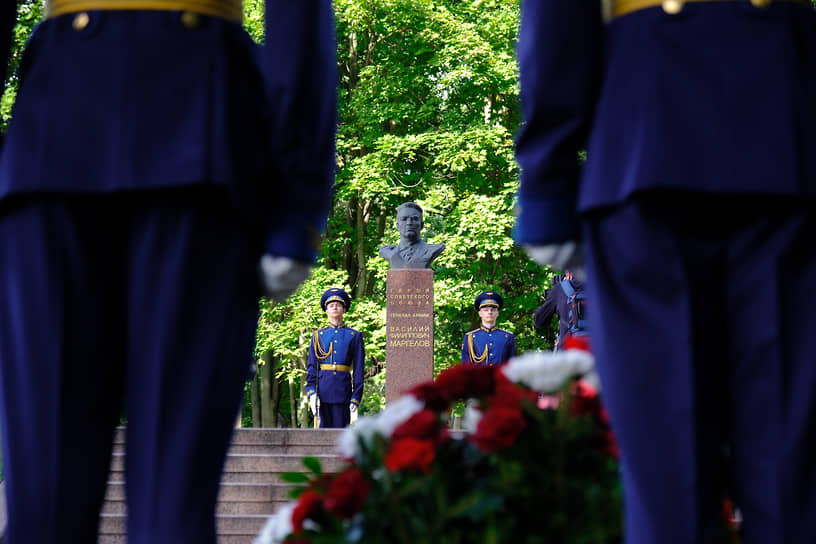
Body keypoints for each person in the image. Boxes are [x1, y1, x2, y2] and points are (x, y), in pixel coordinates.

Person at [0, 2, 337, 543]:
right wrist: (296, 200)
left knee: (61, 508)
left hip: (60, 136)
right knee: (148, 508)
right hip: (200, 133)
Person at [513, 2, 816, 543]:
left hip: (647, 141)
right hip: (785, 130)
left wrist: (548, 183)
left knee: (670, 478)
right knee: (789, 474)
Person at [306, 288, 365, 429]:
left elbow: (358, 369)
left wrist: (356, 396)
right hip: (322, 392)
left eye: (338, 305)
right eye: (330, 305)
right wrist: (312, 393)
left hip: (343, 392)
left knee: (341, 435)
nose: (334, 307)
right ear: (326, 311)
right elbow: (312, 367)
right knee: (321, 438)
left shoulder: (354, 336)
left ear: (344, 309)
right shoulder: (318, 336)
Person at [378, 202, 446, 269]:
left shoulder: (432, 250)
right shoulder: (389, 252)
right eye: (404, 219)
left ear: (421, 225)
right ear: (398, 226)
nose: (409, 223)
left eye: (414, 219)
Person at [533, 269, 586, 350]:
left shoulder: (561, 288)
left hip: (569, 352)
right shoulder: (603, 286)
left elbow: (539, 320)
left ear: (568, 274)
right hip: (601, 351)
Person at [461, 291, 516, 366]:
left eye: (493, 310)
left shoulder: (508, 337)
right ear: (480, 313)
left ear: (497, 313)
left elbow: (512, 366)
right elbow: (466, 367)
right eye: (486, 310)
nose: (490, 312)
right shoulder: (470, 337)